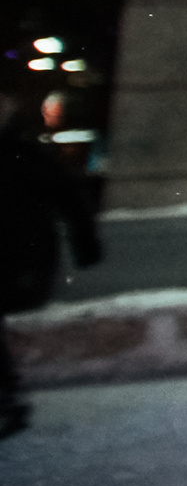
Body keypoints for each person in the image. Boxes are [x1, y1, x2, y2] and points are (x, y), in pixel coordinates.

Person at [1, 105, 103, 439]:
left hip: (21, 261)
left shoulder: (26, 156)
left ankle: (9, 400)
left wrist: (85, 244)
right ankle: (9, 399)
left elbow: (70, 199)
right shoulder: (28, 154)